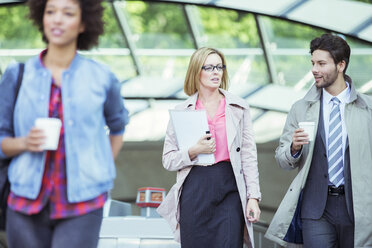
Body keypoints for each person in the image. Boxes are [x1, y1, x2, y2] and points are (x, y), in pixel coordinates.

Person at [0, 0, 129, 247]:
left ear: (83, 23)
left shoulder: (102, 78)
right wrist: (24, 142)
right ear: (42, 18)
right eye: (50, 12)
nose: (57, 19)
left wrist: (98, 167)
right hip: (25, 202)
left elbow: (118, 127)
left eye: (68, 13)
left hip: (84, 203)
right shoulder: (18, 75)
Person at [265, 33, 372, 247]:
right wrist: (294, 148)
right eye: (313, 63)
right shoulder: (301, 108)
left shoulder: (367, 108)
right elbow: (282, 160)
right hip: (315, 210)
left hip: (359, 208)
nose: (314, 69)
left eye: (322, 63)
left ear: (341, 65)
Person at [157, 47, 261, 248]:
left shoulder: (238, 107)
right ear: (197, 71)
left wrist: (253, 197)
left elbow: (249, 155)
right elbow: (168, 159)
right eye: (209, 67)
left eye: (219, 67)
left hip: (230, 186)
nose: (216, 72)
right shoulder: (182, 111)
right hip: (195, 188)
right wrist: (193, 151)